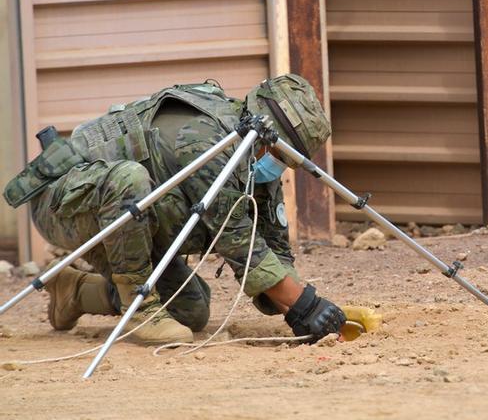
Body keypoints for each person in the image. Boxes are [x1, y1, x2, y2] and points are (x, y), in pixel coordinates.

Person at [3, 74, 345, 345]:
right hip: (65, 203)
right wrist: (307, 304)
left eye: (289, 159)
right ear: (265, 132)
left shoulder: (252, 159)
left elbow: (272, 242)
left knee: (190, 311)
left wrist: (304, 312)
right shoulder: (204, 140)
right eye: (281, 153)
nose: (280, 164)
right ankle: (140, 309)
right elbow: (239, 241)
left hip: (125, 220)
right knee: (130, 179)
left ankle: (73, 292)